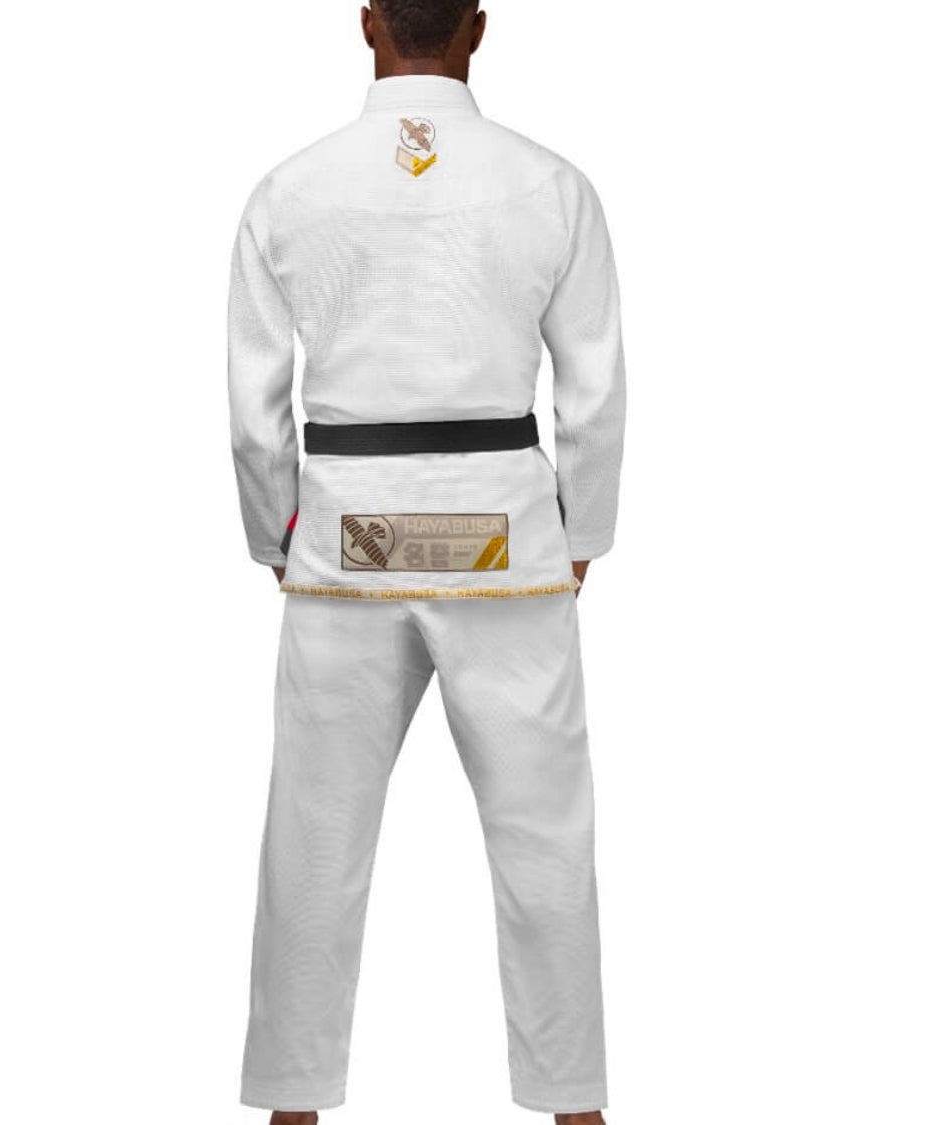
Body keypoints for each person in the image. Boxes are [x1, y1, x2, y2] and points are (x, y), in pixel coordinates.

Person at [226, 3, 626, 1123]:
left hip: (345, 541)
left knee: (313, 837)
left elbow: (256, 408)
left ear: (366, 26)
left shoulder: (290, 189)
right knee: (544, 837)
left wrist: (277, 534)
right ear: (478, 30)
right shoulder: (553, 186)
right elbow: (593, 389)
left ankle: (292, 1106)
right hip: (506, 544)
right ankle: (576, 1108)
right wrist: (579, 534)